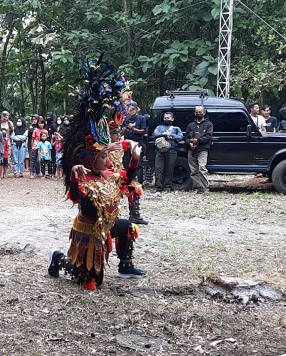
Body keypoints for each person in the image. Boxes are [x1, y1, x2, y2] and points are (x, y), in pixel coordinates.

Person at [48, 55, 146, 290]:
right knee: (91, 281)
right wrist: (73, 174)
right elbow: (74, 193)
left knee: (128, 227)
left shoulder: (109, 175)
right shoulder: (85, 180)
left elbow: (127, 180)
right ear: (92, 160)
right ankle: (59, 258)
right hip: (89, 230)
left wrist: (134, 160)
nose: (108, 159)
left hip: (107, 224)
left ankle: (125, 264)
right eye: (103, 156)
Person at [152, 111, 184, 192]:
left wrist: (171, 136)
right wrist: (164, 134)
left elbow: (180, 137)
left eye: (168, 118)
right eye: (165, 118)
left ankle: (167, 186)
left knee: (169, 169)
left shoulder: (176, 128)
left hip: (172, 151)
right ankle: (158, 187)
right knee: (158, 168)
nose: (166, 119)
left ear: (172, 119)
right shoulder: (159, 127)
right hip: (160, 151)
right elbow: (155, 134)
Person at [185, 105, 213, 193]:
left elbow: (208, 136)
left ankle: (205, 188)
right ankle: (197, 188)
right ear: (194, 113)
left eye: (200, 112)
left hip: (203, 149)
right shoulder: (191, 125)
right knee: (193, 170)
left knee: (202, 168)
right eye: (197, 112)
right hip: (192, 150)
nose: (198, 114)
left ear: (204, 113)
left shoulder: (208, 124)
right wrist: (190, 143)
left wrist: (198, 140)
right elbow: (186, 137)